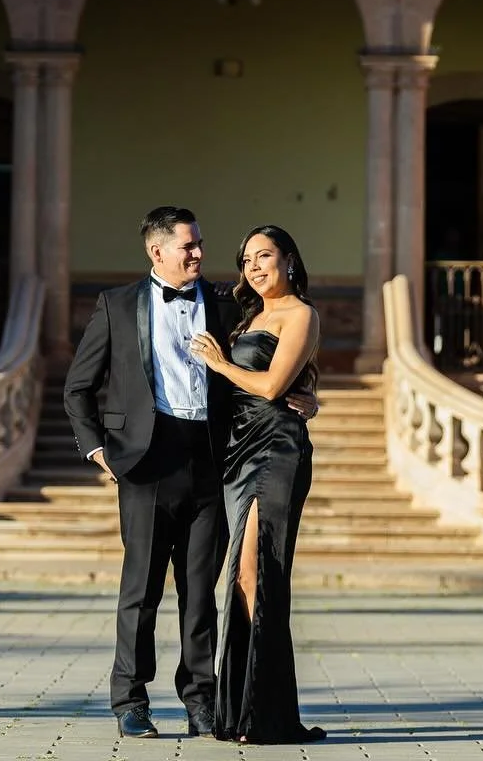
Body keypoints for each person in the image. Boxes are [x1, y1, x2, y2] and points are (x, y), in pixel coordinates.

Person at [63, 206, 316, 741]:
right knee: (142, 589)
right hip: (146, 463)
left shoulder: (228, 303)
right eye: (189, 246)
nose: (200, 253)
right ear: (158, 252)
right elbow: (77, 388)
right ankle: (131, 701)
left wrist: (307, 396)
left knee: (201, 591)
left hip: (214, 460)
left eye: (200, 244)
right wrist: (98, 452)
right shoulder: (116, 304)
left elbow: (273, 363)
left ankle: (201, 700)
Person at [189, 224, 327, 744]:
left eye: (265, 256)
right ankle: (247, 713)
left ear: (289, 259)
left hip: (277, 450)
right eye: (247, 259)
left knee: (257, 570)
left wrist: (220, 363)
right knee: (243, 576)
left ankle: (261, 714)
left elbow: (272, 386)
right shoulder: (248, 315)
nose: (254, 267)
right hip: (236, 451)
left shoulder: (301, 314)